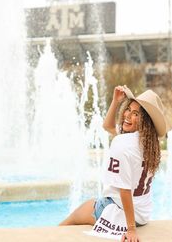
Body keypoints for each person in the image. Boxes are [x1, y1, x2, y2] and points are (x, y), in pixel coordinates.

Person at [59, 85, 166, 242]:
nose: (127, 115)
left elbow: (124, 190)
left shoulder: (122, 143)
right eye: (128, 109)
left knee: (67, 222)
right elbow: (108, 126)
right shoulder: (150, 142)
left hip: (121, 213)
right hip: (142, 215)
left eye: (135, 113)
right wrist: (115, 102)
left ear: (145, 121)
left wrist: (131, 230)